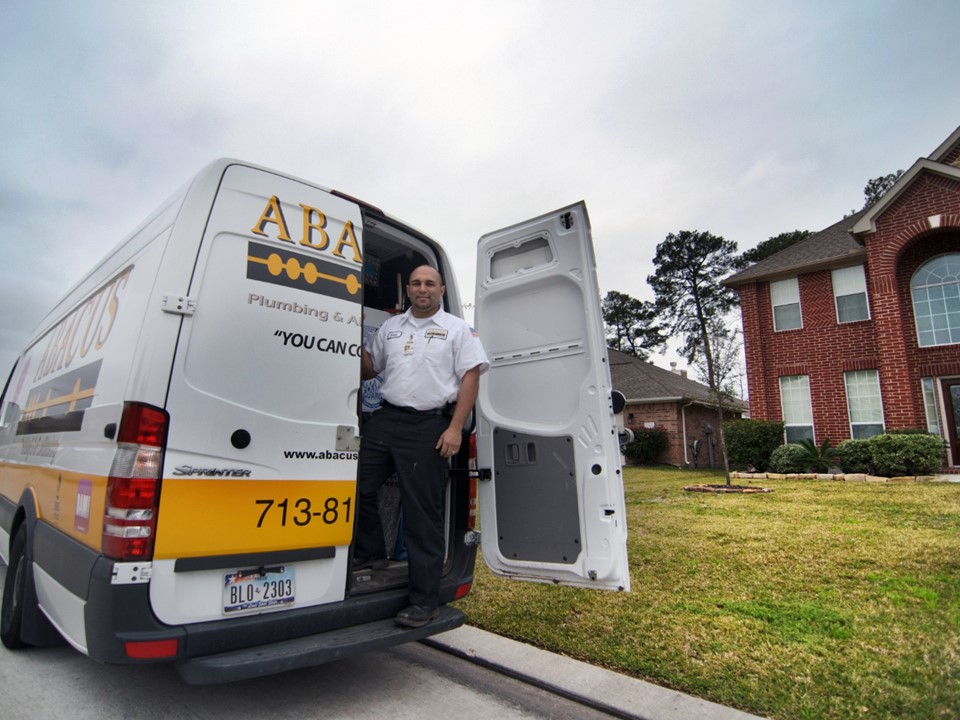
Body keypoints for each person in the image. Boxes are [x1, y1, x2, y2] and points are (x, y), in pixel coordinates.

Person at [356, 265, 489, 628]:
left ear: (441, 290)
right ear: (409, 290)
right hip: (386, 419)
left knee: (422, 516)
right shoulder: (391, 327)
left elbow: (471, 377)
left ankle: (424, 601)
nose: (422, 288)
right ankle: (371, 552)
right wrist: (351, 334)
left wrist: (455, 428)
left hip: (429, 426)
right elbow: (369, 370)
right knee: (357, 486)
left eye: (430, 283)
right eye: (415, 283)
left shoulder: (458, 330)